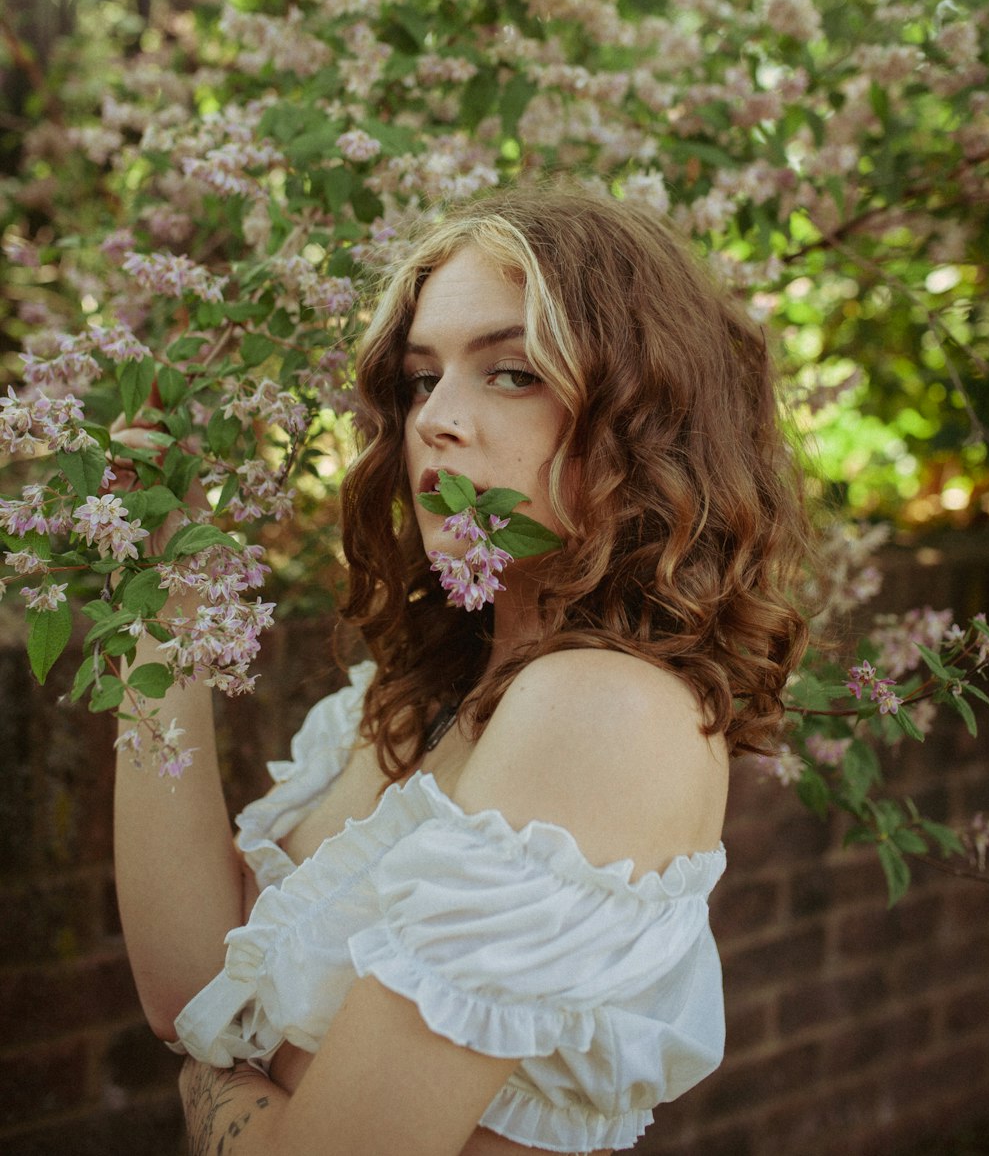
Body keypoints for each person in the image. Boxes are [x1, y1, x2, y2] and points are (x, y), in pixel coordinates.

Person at [114, 185, 809, 1156]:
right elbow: (187, 987)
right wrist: (162, 601)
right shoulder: (422, 689)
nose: (435, 419)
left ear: (645, 416)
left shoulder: (604, 710)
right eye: (417, 377)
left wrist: (209, 1085)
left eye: (512, 373)